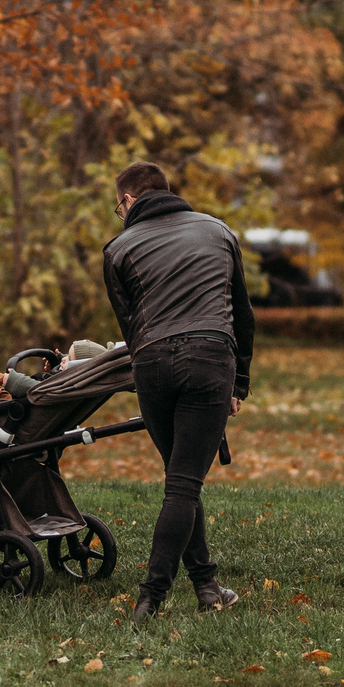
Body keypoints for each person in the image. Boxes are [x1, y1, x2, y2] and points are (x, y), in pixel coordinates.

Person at [101, 160, 252, 619]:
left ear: (129, 200)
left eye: (118, 207)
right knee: (183, 485)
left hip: (152, 365)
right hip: (210, 359)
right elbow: (243, 316)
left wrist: (150, 365)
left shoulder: (117, 249)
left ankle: (207, 586)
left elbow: (130, 327)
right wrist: (239, 382)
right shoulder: (219, 232)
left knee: (180, 481)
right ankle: (151, 596)